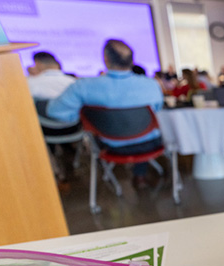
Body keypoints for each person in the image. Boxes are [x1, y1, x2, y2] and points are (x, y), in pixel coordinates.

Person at [47, 39, 164, 189]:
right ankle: (139, 175)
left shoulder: (83, 87)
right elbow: (156, 110)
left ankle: (110, 179)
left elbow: (55, 111)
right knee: (141, 131)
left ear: (106, 59)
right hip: (149, 145)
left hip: (109, 146)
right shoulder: (151, 85)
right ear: (132, 61)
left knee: (103, 134)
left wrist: (82, 117)